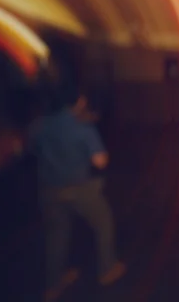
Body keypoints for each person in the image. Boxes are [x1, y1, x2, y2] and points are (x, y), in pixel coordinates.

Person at [29, 93, 125, 302]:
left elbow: (30, 148)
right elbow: (100, 161)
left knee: (56, 235)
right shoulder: (82, 126)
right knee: (104, 223)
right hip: (78, 189)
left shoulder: (39, 124)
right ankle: (107, 269)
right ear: (79, 101)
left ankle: (53, 285)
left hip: (49, 190)